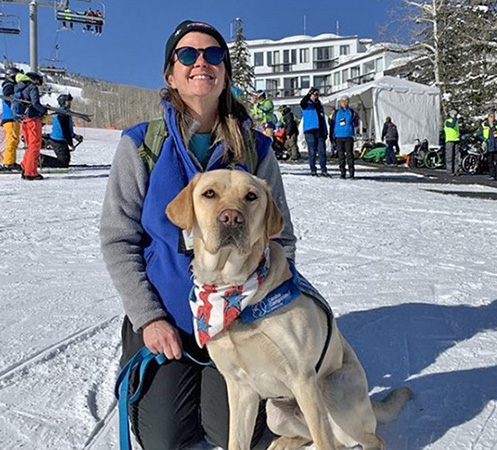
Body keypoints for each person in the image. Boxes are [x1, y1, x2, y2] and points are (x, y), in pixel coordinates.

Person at [100, 20, 296, 450]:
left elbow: (282, 239)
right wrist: (148, 318)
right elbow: (119, 239)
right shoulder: (142, 144)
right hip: (167, 319)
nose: (200, 62)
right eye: (187, 55)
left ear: (225, 73)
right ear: (171, 74)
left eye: (213, 55)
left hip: (240, 320)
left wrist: (268, 308)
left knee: (239, 433)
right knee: (164, 437)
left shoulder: (256, 150)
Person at [15, 71, 47, 180]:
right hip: (33, 119)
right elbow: (35, 103)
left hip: (25, 120)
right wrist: (43, 111)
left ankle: (25, 167)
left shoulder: (21, 87)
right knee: (34, 145)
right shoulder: (32, 87)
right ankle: (31, 172)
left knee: (30, 146)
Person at [42, 94, 82, 168]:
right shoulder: (62, 114)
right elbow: (65, 130)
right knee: (63, 163)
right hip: (58, 140)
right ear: (63, 102)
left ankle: (41, 159)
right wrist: (71, 143)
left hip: (61, 140)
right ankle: (41, 159)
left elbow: (68, 128)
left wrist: (74, 136)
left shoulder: (65, 112)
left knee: (66, 160)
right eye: (68, 101)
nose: (70, 103)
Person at [0, 67, 22, 172]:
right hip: (10, 117)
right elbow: (8, 98)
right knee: (12, 140)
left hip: (13, 117)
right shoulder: (9, 85)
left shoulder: (12, 85)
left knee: (15, 140)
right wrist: (15, 105)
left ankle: (11, 161)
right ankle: (7, 163)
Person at [299, 87, 329, 176]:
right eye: (315, 94)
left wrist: (325, 130)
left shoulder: (319, 105)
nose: (316, 96)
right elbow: (302, 103)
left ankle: (323, 170)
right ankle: (313, 169)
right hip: (310, 130)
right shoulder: (307, 104)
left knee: (322, 151)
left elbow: (322, 118)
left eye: (317, 95)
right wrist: (308, 95)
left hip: (320, 130)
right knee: (312, 151)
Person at [331, 95, 360, 179]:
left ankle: (351, 173)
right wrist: (332, 135)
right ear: (340, 102)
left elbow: (356, 123)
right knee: (340, 155)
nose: (344, 103)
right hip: (339, 136)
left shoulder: (351, 111)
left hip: (348, 135)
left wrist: (354, 121)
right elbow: (331, 123)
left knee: (349, 154)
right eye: (343, 101)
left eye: (346, 101)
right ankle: (342, 172)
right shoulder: (336, 112)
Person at [477, 113, 497, 181]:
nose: (492, 118)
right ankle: (492, 175)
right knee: (490, 161)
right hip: (488, 145)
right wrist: (484, 139)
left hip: (496, 145)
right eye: (491, 117)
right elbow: (480, 134)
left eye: (493, 117)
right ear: (488, 117)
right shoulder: (484, 125)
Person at [443, 109, 461, 175]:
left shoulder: (456, 121)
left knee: (456, 157)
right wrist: (455, 119)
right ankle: (449, 171)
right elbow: (452, 125)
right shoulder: (447, 121)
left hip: (456, 139)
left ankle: (456, 170)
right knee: (449, 156)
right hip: (449, 140)